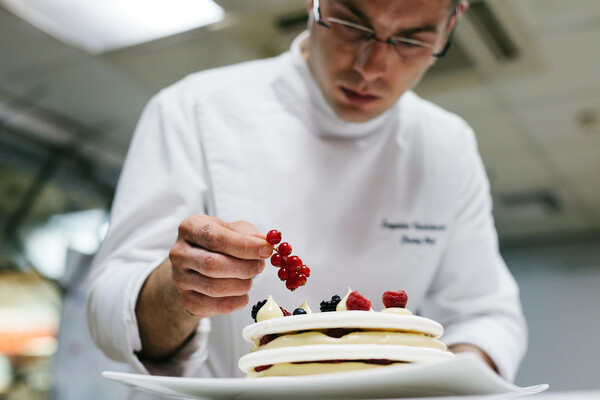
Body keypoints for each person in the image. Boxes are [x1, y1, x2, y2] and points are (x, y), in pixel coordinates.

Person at [86, 0, 527, 382]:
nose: (371, 67)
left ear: (451, 24)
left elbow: (486, 315)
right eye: (352, 26)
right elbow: (110, 314)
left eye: (412, 40)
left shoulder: (448, 144)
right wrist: (180, 288)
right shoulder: (193, 110)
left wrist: (450, 381)